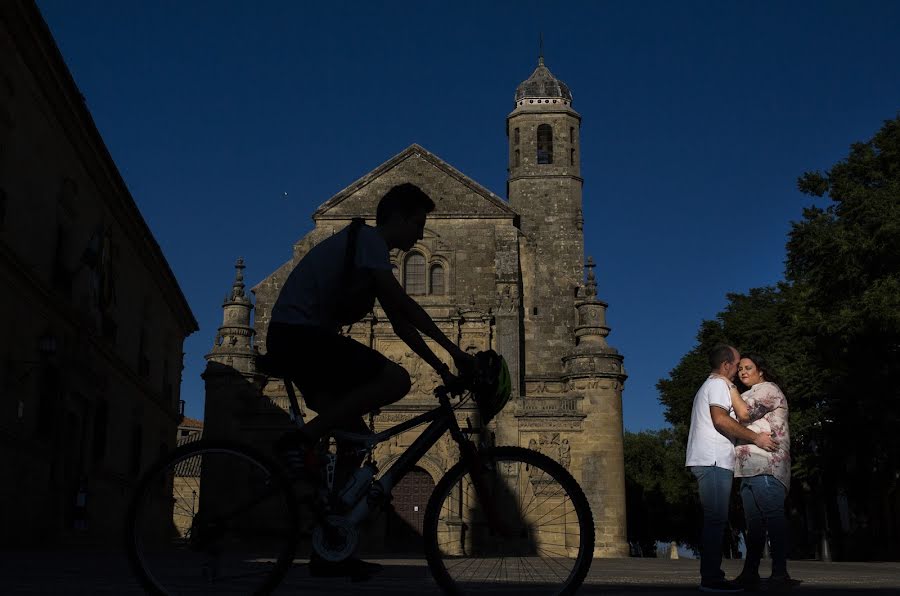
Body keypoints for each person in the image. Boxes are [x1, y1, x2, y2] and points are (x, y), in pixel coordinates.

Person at [266, 182, 473, 577]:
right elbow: (403, 304)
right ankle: (304, 438)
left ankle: (330, 548)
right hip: (301, 336)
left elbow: (399, 322)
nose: (419, 234)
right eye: (417, 223)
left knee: (354, 441)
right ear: (396, 217)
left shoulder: (368, 251)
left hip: (302, 339)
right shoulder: (369, 241)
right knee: (396, 380)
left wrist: (444, 365)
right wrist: (457, 349)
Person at [685, 344, 778, 593]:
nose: (738, 371)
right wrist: (755, 438)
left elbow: (738, 413)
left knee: (715, 519)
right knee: (715, 519)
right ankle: (711, 578)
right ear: (726, 365)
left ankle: (712, 575)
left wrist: (733, 388)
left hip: (711, 460)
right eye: (737, 365)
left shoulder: (718, 384)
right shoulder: (717, 385)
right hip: (713, 459)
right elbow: (721, 419)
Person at [728, 354, 792, 589]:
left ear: (761, 371)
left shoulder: (767, 389)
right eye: (740, 369)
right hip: (747, 467)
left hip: (767, 463)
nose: (743, 372)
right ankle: (750, 572)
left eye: (748, 368)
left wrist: (729, 386)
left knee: (772, 517)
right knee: (753, 525)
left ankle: (780, 572)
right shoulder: (745, 394)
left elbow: (745, 415)